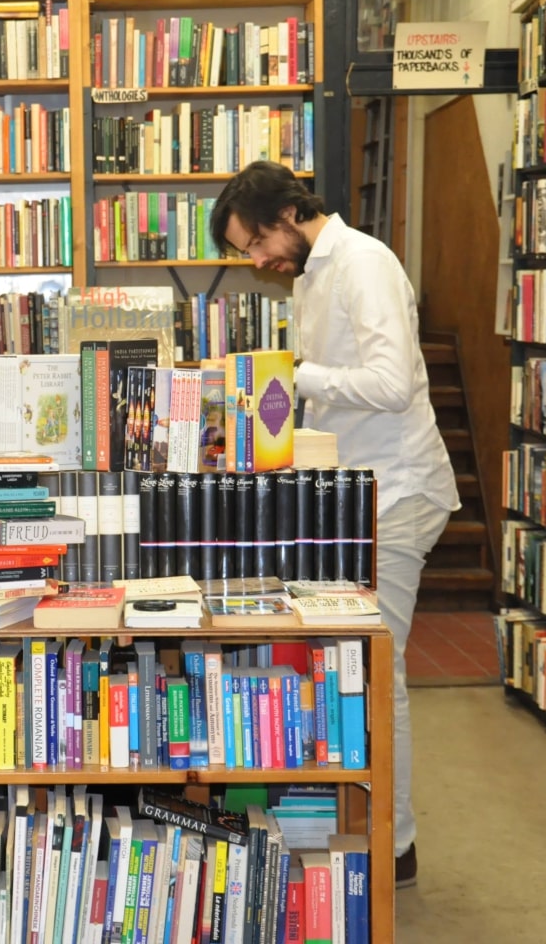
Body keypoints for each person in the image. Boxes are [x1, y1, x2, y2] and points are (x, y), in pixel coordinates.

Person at [210, 161, 461, 889]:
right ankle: (355, 817)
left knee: (381, 671)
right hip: (353, 498)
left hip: (399, 493)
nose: (258, 261)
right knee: (346, 662)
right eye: (247, 252)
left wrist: (291, 372)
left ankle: (396, 846)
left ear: (291, 210)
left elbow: (392, 385)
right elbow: (322, 401)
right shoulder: (314, 277)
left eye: (257, 241)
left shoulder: (364, 264)